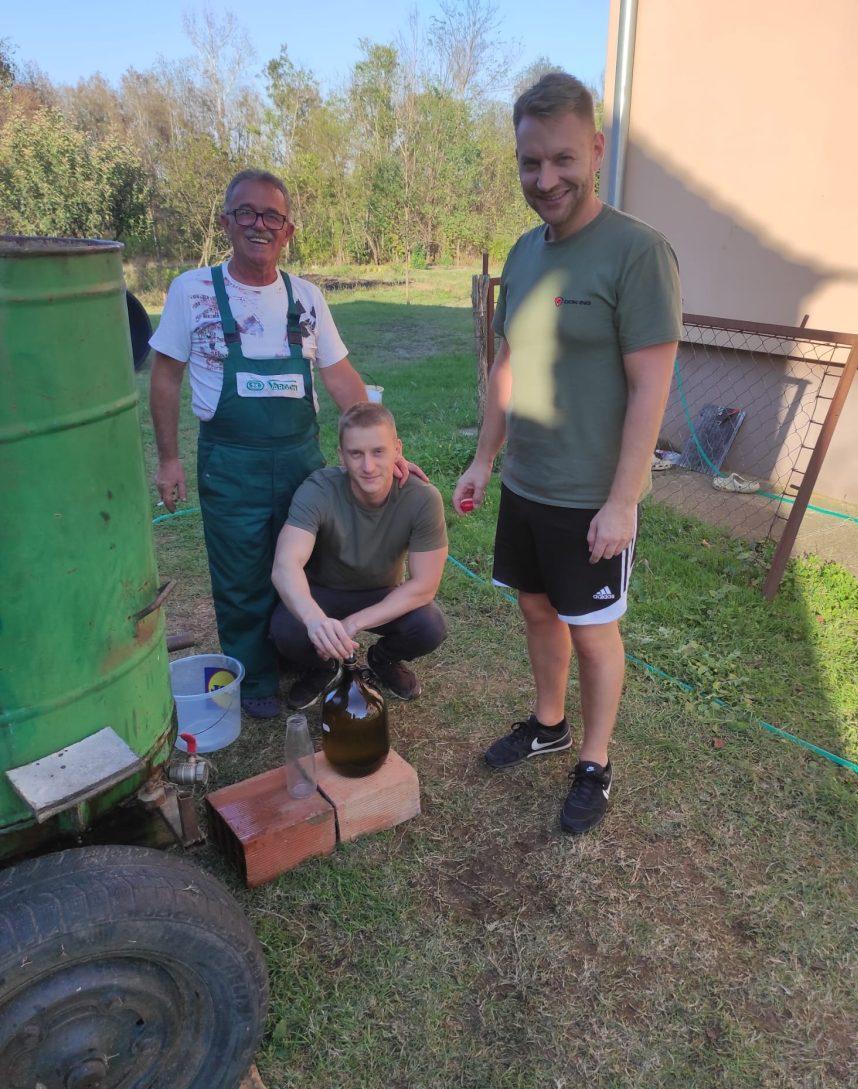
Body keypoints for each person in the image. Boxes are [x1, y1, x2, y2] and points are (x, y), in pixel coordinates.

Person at [453, 73, 682, 835]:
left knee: (592, 631)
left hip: (592, 493)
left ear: (595, 148)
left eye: (561, 159)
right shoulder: (522, 255)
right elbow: (507, 369)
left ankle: (594, 760)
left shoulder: (638, 253)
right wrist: (486, 460)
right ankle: (547, 724)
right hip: (527, 482)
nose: (545, 179)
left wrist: (623, 500)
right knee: (533, 607)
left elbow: (650, 389)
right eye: (529, 163)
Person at [148, 169, 422, 719]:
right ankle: (253, 677)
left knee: (309, 562)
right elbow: (165, 377)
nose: (258, 224)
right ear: (226, 221)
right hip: (230, 459)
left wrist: (386, 446)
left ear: (288, 230)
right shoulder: (192, 291)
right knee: (241, 570)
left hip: (301, 458)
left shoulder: (307, 297)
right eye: (245, 212)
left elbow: (340, 375)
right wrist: (170, 459)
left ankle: (307, 652)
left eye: (272, 215)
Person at [271, 403, 448, 708]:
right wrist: (316, 621)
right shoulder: (319, 489)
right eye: (356, 454)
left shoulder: (421, 498)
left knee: (429, 626)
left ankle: (383, 659)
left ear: (397, 450)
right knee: (286, 630)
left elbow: (424, 585)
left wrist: (352, 624)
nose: (368, 466)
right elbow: (285, 565)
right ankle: (325, 667)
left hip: (382, 593)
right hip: (324, 591)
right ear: (341, 455)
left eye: (378, 452)